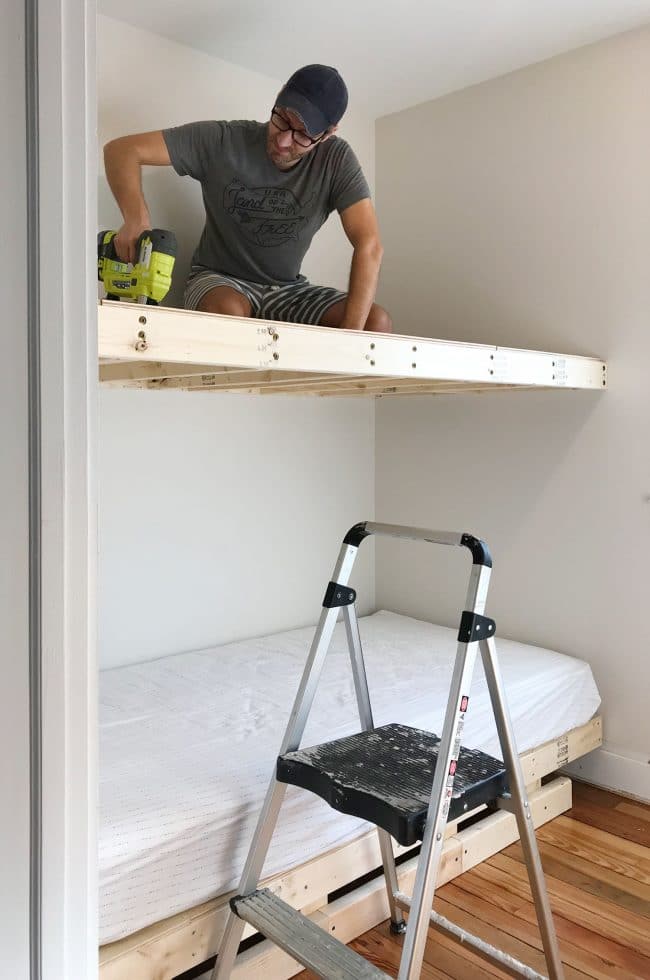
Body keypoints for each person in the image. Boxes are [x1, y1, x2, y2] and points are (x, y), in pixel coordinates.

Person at [104, 64, 391, 332]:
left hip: (289, 292)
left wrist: (350, 342)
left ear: (328, 134)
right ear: (278, 98)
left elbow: (369, 244)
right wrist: (135, 219)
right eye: (281, 119)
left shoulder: (336, 160)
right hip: (220, 281)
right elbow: (122, 151)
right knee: (227, 313)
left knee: (376, 322)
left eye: (302, 135)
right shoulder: (223, 140)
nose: (283, 141)